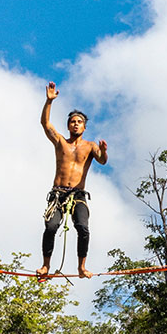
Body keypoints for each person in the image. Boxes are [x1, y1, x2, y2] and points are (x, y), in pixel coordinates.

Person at [38, 81, 107, 278]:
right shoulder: (60, 142)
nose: (75, 124)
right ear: (68, 125)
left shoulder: (90, 146)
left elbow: (102, 161)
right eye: (72, 121)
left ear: (84, 127)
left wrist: (103, 151)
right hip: (58, 194)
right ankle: (45, 266)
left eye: (79, 122)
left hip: (78, 195)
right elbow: (45, 124)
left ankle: (81, 267)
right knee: (51, 227)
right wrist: (49, 102)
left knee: (83, 228)